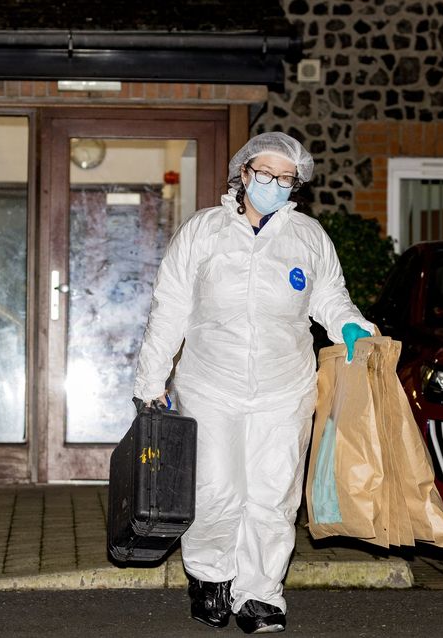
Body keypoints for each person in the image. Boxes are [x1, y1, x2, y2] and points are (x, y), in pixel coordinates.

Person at [132, 131, 374, 634]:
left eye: (286, 179)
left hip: (285, 388)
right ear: (243, 174)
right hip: (209, 383)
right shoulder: (204, 231)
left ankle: (261, 594)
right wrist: (151, 379)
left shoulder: (307, 237)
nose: (275, 185)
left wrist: (350, 325)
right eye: (265, 174)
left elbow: (331, 296)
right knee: (216, 487)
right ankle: (211, 576)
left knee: (272, 494)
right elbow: (170, 306)